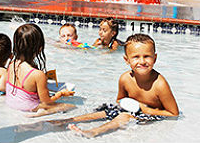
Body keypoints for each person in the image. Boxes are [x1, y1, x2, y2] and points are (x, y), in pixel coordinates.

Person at [51, 34, 179, 137]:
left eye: (147, 56)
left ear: (155, 58)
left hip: (151, 114)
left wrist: (143, 109)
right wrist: (126, 104)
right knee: (104, 112)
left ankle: (94, 132)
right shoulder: (125, 79)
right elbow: (119, 100)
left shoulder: (159, 84)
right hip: (132, 109)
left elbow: (173, 114)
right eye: (135, 57)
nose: (142, 61)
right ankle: (68, 121)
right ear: (126, 60)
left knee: (123, 116)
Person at [5, 24, 75, 116]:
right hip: (29, 108)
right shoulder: (37, 74)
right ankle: (42, 113)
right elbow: (46, 101)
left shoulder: (11, 64)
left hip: (11, 103)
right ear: (39, 48)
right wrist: (61, 94)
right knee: (71, 106)